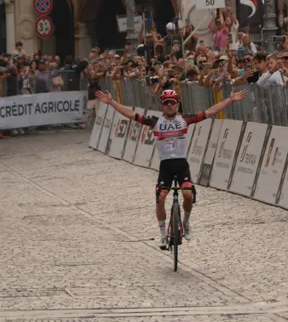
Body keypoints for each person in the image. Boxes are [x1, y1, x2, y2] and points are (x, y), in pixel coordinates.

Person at [95, 88, 248, 249]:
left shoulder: (185, 120)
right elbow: (131, 114)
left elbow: (209, 112)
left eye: (172, 103)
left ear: (177, 105)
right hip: (166, 166)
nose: (169, 106)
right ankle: (162, 235)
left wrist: (229, 100)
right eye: (166, 103)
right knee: (160, 198)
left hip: (182, 165)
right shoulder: (155, 122)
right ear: (162, 106)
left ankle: (186, 223)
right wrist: (111, 102)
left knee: (188, 195)